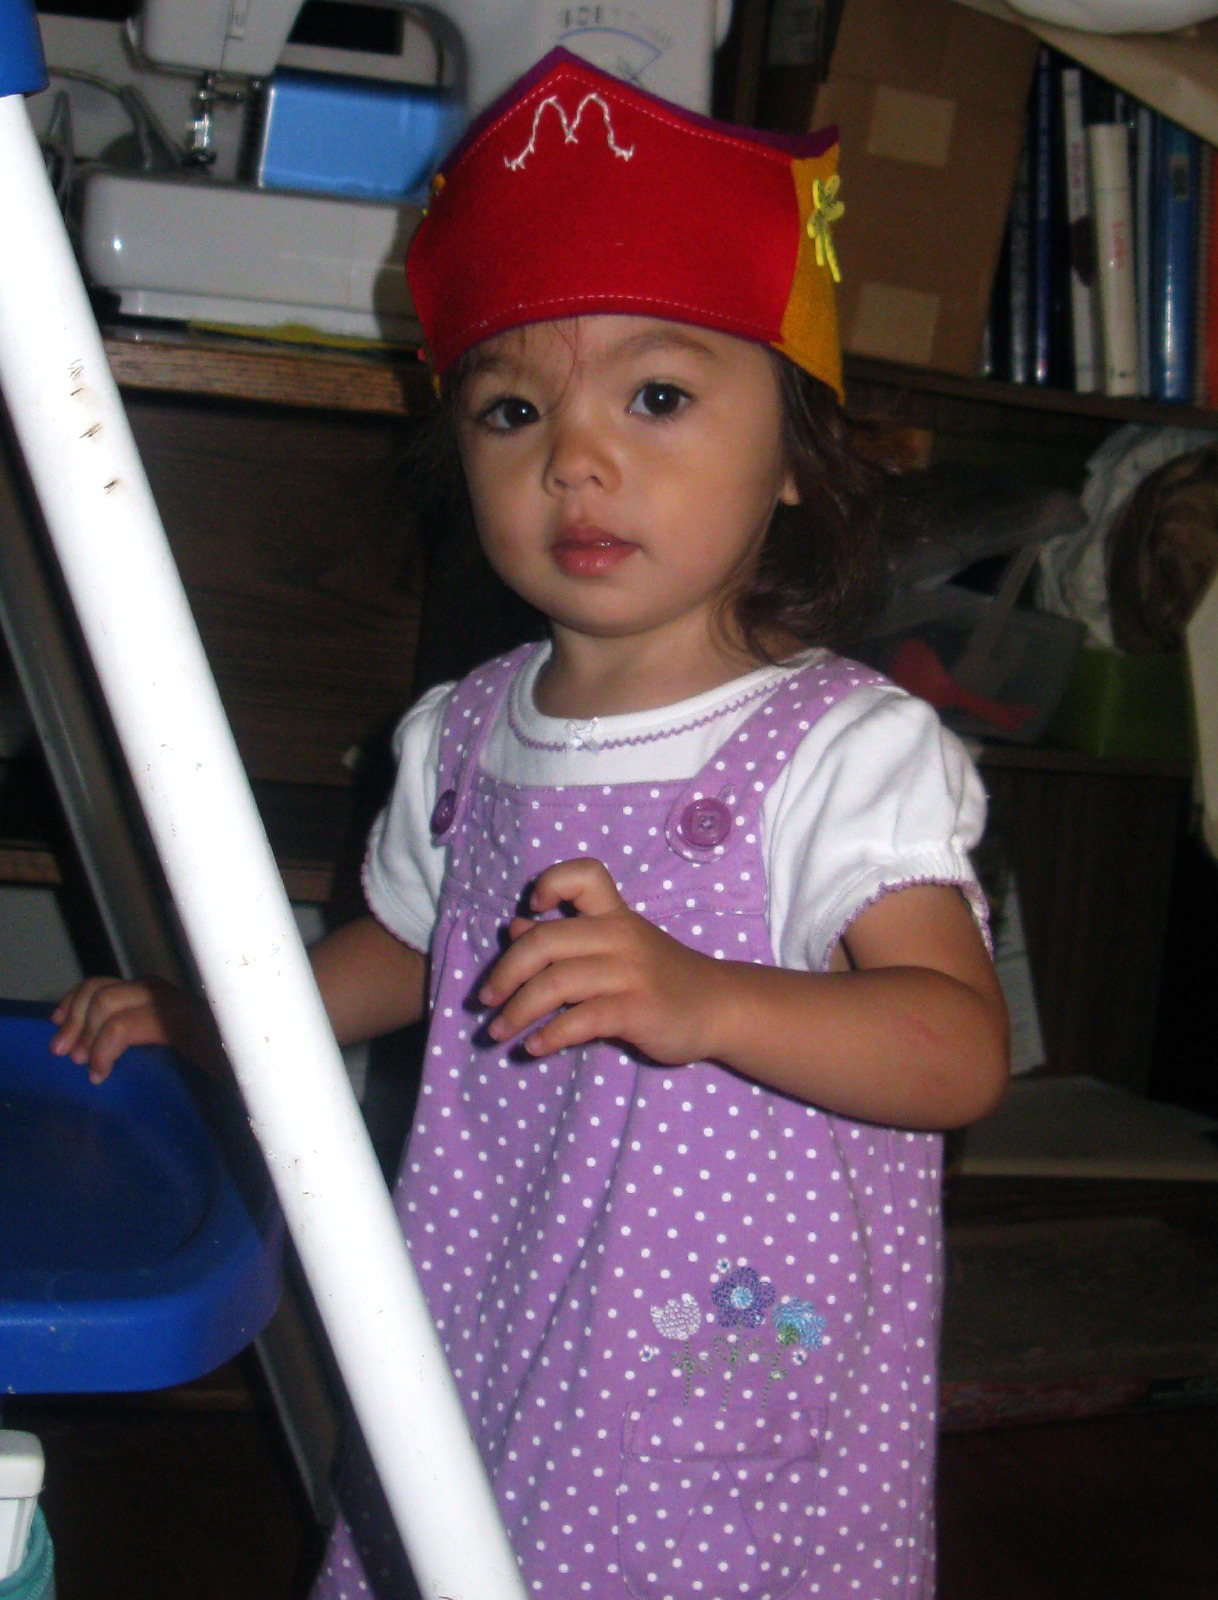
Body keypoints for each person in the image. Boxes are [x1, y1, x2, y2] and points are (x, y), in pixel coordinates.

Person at [51, 49, 1008, 1600]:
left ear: (791, 455)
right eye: (510, 408)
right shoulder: (463, 734)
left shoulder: (841, 750)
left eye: (656, 395)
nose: (574, 454)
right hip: (491, 1312)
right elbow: (407, 952)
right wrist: (209, 1014)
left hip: (717, 1382)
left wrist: (703, 999)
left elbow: (952, 1050)